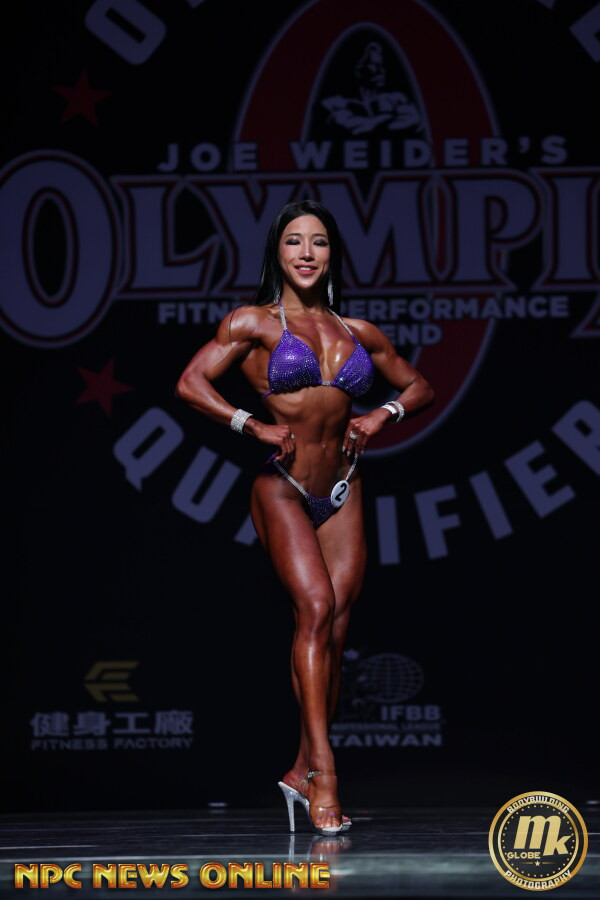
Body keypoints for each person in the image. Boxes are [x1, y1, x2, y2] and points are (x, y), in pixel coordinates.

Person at [176, 200, 434, 834]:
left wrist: (382, 415)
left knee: (336, 632)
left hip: (343, 488)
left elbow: (420, 387)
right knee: (315, 609)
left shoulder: (358, 331)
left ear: (332, 253)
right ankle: (325, 773)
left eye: (318, 242)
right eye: (294, 241)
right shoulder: (253, 322)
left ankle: (299, 770)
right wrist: (250, 423)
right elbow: (190, 383)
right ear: (278, 252)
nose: (307, 253)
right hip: (283, 488)